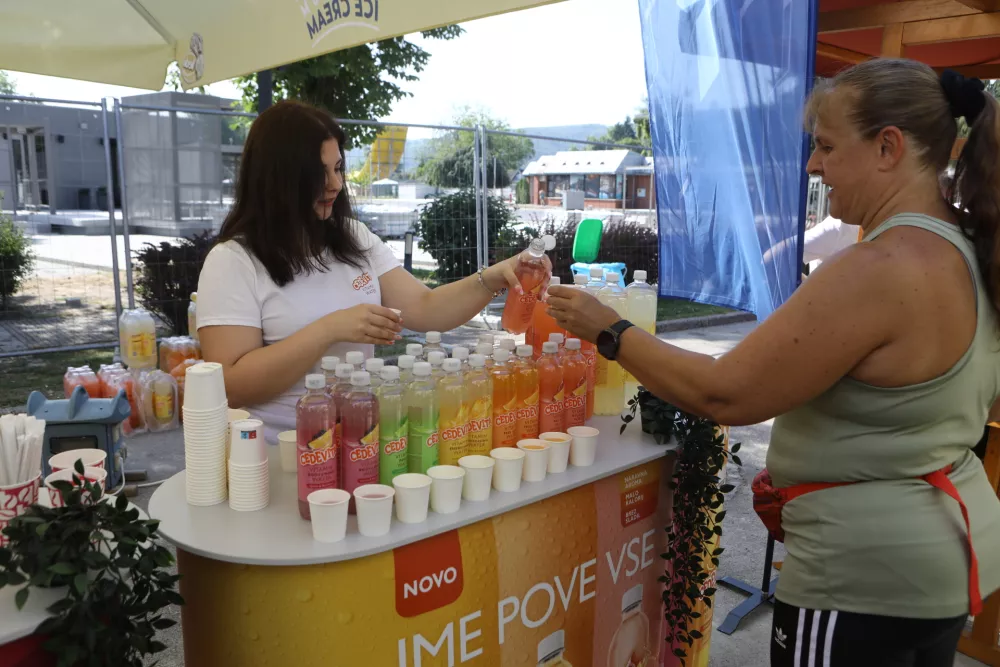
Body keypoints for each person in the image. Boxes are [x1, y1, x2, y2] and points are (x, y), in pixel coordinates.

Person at [547, 59, 1000, 666]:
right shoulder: (967, 247)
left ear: (888, 147)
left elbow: (725, 393)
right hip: (937, 561)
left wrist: (610, 328)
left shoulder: (881, 265)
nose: (813, 166)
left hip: (860, 580)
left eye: (826, 146)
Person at [196, 101, 520, 441]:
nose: (334, 184)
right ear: (278, 180)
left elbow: (426, 308)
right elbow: (231, 386)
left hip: (359, 444)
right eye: (318, 174)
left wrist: (496, 277)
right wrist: (329, 329)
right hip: (275, 457)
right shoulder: (233, 261)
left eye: (338, 168)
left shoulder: (353, 236)